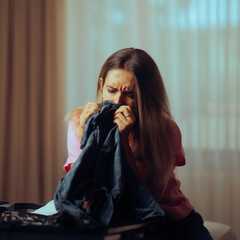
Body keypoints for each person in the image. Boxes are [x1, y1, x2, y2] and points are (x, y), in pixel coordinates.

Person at [64, 48, 213, 239]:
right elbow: (80, 193)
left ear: (146, 95)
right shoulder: (79, 123)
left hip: (169, 216)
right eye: (111, 90)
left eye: (131, 94)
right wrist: (90, 137)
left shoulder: (166, 130)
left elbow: (146, 198)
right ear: (101, 85)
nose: (118, 101)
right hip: (111, 218)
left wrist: (124, 143)